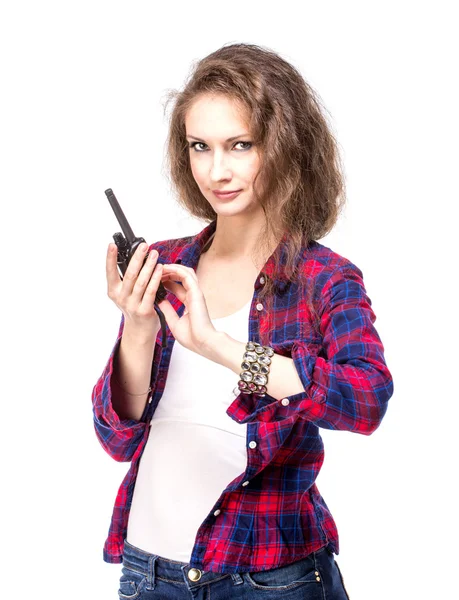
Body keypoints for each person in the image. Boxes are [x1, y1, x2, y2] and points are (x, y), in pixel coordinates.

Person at [92, 42, 394, 599]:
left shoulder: (324, 278)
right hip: (147, 576)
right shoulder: (167, 264)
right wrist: (138, 328)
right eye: (200, 147)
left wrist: (219, 346)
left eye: (240, 145)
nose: (217, 170)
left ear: (284, 147)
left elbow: (367, 397)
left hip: (269, 581)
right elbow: (116, 437)